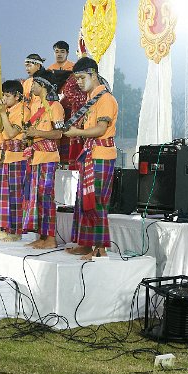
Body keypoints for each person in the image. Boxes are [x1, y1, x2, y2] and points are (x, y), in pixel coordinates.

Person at [63, 57, 118, 259]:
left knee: (96, 202)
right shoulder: (91, 99)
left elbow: (101, 129)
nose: (78, 82)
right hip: (90, 155)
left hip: (101, 155)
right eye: (76, 78)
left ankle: (99, 249)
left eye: (81, 77)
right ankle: (86, 244)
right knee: (84, 200)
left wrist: (76, 131)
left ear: (93, 74)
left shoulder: (105, 99)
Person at [22, 69, 65, 249]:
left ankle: (50, 239)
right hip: (36, 157)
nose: (31, 87)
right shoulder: (35, 106)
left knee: (46, 198)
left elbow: (59, 133)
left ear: (43, 85)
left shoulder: (56, 107)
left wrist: (36, 133)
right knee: (37, 199)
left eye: (34, 83)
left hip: (48, 157)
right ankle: (41, 237)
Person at [0, 80, 27, 242]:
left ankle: (16, 232)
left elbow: (10, 134)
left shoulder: (22, 110)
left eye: (7, 95)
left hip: (16, 158)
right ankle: (3, 228)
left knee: (15, 196)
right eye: (3, 95)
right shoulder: (7, 110)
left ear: (17, 96)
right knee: (0, 195)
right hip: (2, 157)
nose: (4, 98)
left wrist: (2, 113)